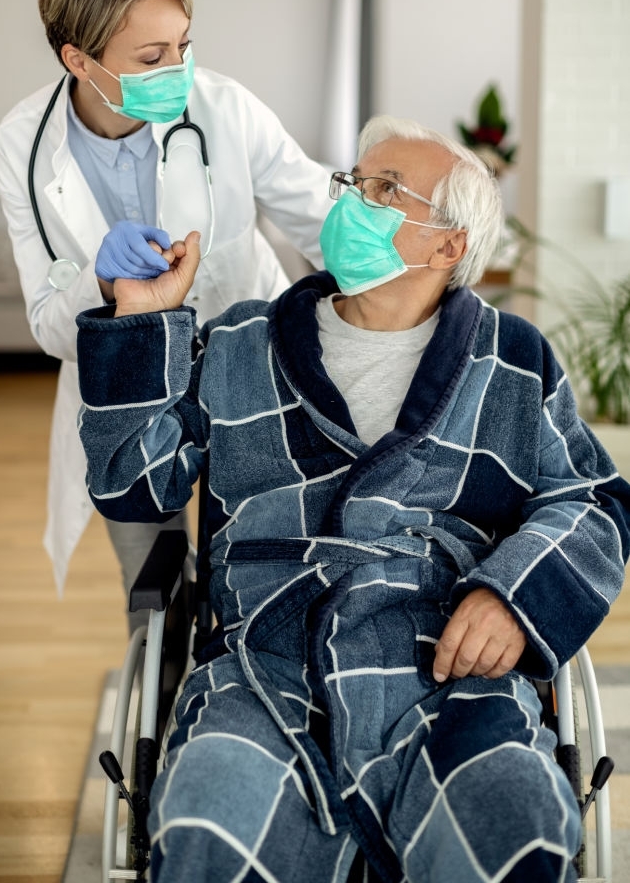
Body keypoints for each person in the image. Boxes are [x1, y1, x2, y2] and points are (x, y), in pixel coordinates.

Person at [75, 115, 630, 882]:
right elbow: (132, 485)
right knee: (207, 824)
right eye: (352, 183)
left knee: (518, 827)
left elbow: (592, 502)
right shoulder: (242, 343)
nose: (349, 203)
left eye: (382, 190)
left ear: (448, 245)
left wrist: (512, 598)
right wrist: (138, 319)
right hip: (265, 664)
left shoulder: (514, 360)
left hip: (446, 666)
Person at [0, 0, 332, 617]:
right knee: (155, 595)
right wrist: (99, 281)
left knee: (261, 580)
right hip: (127, 393)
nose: (179, 69)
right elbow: (48, 327)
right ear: (78, 59)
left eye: (183, 45)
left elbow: (322, 219)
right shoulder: (20, 146)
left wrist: (391, 263)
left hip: (251, 378)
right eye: (152, 57)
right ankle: (165, 701)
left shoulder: (225, 109)